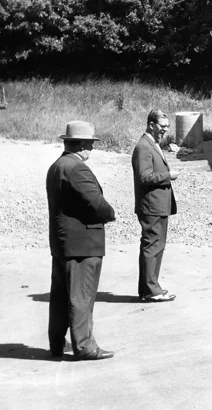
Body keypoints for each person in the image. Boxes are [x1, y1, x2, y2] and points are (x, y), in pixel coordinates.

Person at [47, 121, 116, 360]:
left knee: (60, 298)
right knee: (81, 296)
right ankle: (85, 346)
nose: (92, 149)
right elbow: (96, 203)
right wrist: (110, 213)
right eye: (90, 144)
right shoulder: (78, 169)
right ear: (82, 144)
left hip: (63, 243)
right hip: (82, 244)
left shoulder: (57, 166)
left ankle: (57, 343)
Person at [132, 109, 179, 303]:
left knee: (155, 246)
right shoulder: (144, 146)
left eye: (167, 127)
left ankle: (148, 289)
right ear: (151, 124)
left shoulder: (152, 144)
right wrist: (168, 176)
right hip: (152, 206)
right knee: (153, 246)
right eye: (162, 127)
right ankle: (152, 290)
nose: (165, 131)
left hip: (156, 205)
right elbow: (144, 176)